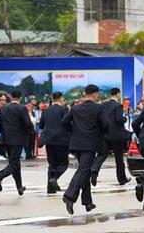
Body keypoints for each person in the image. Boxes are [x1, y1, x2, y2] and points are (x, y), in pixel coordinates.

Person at [62, 85, 109, 215]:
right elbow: (106, 125)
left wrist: (74, 131)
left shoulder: (75, 108)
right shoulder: (99, 108)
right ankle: (69, 196)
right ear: (94, 94)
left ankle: (87, 202)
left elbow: (64, 122)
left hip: (76, 143)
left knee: (85, 170)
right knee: (83, 170)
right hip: (90, 144)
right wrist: (100, 133)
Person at [0, 90, 34, 196]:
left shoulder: (4, 108)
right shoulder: (22, 108)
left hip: (6, 139)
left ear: (11, 97)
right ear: (20, 98)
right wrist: (30, 131)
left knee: (15, 163)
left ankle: (19, 187)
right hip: (18, 139)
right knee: (14, 163)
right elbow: (28, 123)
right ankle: (0, 176)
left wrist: (3, 131)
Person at [91, 88, 132, 187]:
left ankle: (94, 171)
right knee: (119, 157)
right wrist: (125, 119)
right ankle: (122, 179)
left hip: (105, 134)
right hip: (116, 135)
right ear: (118, 94)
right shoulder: (118, 105)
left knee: (102, 154)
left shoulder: (104, 104)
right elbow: (119, 119)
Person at [39, 92, 70, 194]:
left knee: (52, 164)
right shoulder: (64, 109)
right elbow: (68, 122)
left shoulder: (46, 110)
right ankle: (54, 178)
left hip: (49, 140)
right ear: (61, 99)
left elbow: (41, 125)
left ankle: (50, 188)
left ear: (52, 99)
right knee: (63, 164)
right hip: (62, 140)